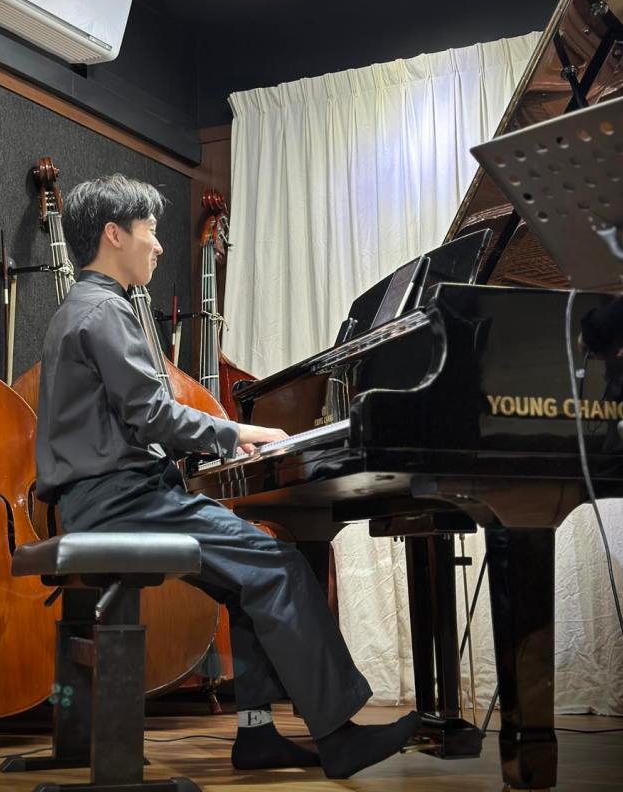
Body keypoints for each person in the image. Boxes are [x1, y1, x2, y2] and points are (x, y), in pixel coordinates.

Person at [35, 174, 421, 778]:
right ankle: (340, 736)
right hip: (124, 501)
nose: (159, 245)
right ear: (114, 235)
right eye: (150, 231)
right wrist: (236, 432)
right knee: (280, 565)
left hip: (97, 500)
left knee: (248, 580)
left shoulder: (75, 309)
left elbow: (130, 420)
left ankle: (258, 735)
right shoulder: (107, 311)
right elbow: (152, 415)